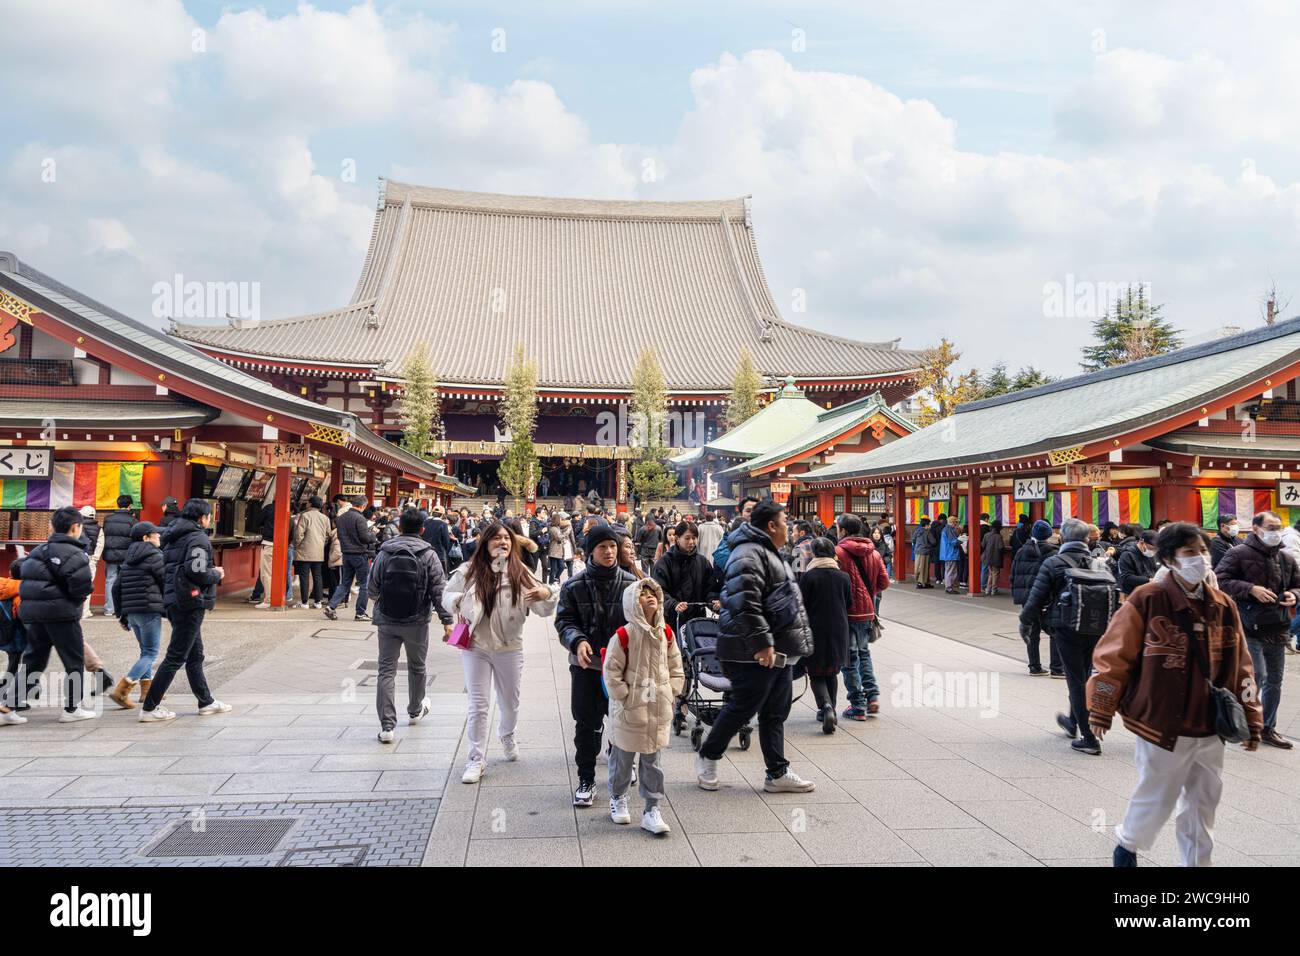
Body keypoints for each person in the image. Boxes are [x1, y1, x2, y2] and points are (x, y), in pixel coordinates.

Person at [1089, 521, 1262, 867]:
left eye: (1201, 551)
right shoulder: (1147, 599)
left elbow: (1242, 664)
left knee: (1204, 803)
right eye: (1189, 552)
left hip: (1209, 723)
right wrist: (1101, 708)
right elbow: (1113, 656)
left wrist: (1252, 716)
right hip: (1160, 722)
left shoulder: (1224, 605)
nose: (1199, 558)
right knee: (1157, 796)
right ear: (1168, 559)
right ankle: (1127, 846)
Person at [696, 500, 816, 793]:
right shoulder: (749, 554)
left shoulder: (768, 552)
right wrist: (762, 644)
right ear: (771, 526)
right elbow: (743, 604)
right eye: (785, 521)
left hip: (778, 650)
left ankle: (777, 772)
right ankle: (708, 755)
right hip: (751, 651)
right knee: (741, 708)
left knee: (775, 712)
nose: (789, 526)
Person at [444, 520, 557, 779]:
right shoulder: (469, 570)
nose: (503, 542)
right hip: (476, 646)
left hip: (509, 647)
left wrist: (545, 594)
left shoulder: (521, 572)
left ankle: (506, 734)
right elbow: (446, 595)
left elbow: (544, 608)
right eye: (496, 538)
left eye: (507, 538)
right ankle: (476, 758)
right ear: (485, 544)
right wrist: (459, 601)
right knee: (478, 705)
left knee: (510, 702)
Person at [556, 524, 637, 807]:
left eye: (613, 546)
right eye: (602, 547)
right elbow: (564, 621)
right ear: (590, 551)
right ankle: (587, 779)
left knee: (622, 723)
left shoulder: (631, 585)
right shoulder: (573, 586)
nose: (609, 551)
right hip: (587, 666)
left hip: (622, 669)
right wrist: (577, 641)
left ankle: (620, 775)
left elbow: (642, 623)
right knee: (586, 725)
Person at [1019, 517, 1111, 755]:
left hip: (1066, 627)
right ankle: (1073, 722)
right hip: (1095, 627)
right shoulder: (1098, 562)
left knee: (1075, 679)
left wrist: (1025, 622)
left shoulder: (1054, 562)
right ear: (1086, 539)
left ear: (1062, 539)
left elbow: (1036, 597)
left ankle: (1089, 738)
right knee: (1083, 673)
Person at [603, 577, 684, 835]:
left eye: (652, 593)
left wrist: (671, 691)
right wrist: (625, 697)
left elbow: (676, 666)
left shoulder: (666, 633)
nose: (649, 597)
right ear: (632, 602)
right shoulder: (624, 635)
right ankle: (618, 797)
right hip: (630, 710)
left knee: (653, 762)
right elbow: (611, 671)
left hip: (657, 708)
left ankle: (651, 808)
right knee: (623, 760)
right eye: (642, 594)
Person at [138, 498, 231, 721]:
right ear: (202, 518)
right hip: (190, 600)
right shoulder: (198, 538)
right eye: (209, 515)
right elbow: (197, 570)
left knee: (195, 654)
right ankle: (150, 707)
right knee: (176, 656)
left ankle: (205, 701)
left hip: (174, 598)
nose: (209, 519)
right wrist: (216, 574)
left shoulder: (173, 536)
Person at [1213, 510, 1299, 749]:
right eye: (1271, 527)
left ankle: (1268, 727)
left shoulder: (1286, 557)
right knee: (1256, 675)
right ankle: (1246, 724)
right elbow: (1220, 579)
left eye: (1278, 527)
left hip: (1278, 624)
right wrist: (1250, 589)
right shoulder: (1238, 553)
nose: (1276, 531)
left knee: (1275, 679)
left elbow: (1297, 584)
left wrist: (1294, 594)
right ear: (1256, 528)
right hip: (1248, 624)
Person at [369, 508, 454, 744]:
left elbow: (372, 587)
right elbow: (439, 590)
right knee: (417, 667)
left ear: (399, 527)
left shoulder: (385, 552)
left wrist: (387, 602)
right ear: (422, 530)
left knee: (386, 671)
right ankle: (415, 710)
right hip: (417, 620)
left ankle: (387, 727)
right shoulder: (429, 554)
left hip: (386, 619)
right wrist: (447, 622)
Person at [14, 506, 95, 720]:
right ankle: (72, 708)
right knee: (73, 661)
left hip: (34, 615)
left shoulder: (39, 551)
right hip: (62, 614)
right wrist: (73, 603)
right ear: (75, 527)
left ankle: (9, 705)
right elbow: (82, 586)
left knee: (34, 660)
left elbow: (24, 580)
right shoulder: (76, 553)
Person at [835, 513, 890, 719]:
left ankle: (857, 705)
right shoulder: (874, 553)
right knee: (864, 653)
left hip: (847, 612)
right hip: (867, 611)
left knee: (849, 658)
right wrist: (869, 594)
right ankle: (872, 696)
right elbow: (884, 582)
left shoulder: (838, 552)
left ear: (843, 530)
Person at [108, 521, 165, 709]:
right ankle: (122, 690)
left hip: (132, 612)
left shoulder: (129, 558)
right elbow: (165, 581)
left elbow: (116, 587)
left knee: (145, 651)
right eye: (155, 534)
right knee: (151, 652)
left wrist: (121, 614)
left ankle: (147, 692)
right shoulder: (155, 556)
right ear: (146, 538)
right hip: (149, 610)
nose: (159, 536)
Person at [798, 537, 851, 734]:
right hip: (838, 629)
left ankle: (825, 707)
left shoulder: (809, 577)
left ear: (814, 554)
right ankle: (832, 709)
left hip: (815, 630)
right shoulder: (843, 577)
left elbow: (801, 605)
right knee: (832, 671)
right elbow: (850, 602)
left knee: (815, 672)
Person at [1010, 519, 1061, 676]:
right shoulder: (1053, 553)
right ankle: (1057, 668)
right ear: (1048, 535)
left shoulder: (1021, 551)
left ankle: (1034, 666)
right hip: (1046, 598)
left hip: (1027, 597)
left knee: (1032, 631)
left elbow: (1013, 574)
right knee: (1054, 630)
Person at [651, 520, 719, 635]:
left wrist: (713, 602)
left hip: (697, 620)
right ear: (677, 539)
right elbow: (658, 590)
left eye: (694, 538)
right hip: (671, 620)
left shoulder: (702, 562)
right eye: (687, 538)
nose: (692, 542)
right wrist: (673, 604)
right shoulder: (665, 562)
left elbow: (710, 588)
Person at [325, 495, 375, 622]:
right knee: (364, 584)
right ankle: (360, 613)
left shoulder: (340, 519)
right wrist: (372, 534)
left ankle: (331, 606)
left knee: (345, 583)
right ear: (363, 506)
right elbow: (364, 538)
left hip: (346, 554)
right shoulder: (360, 518)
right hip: (359, 554)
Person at [100, 494, 137, 619]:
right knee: (127, 581)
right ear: (129, 506)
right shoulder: (132, 521)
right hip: (126, 556)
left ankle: (109, 609)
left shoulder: (108, 519)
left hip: (111, 555)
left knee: (110, 580)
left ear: (118, 504)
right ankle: (125, 608)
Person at [292, 495, 329, 608]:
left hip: (305, 551)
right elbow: (328, 534)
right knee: (317, 576)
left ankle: (304, 602)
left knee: (304, 576)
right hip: (318, 552)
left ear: (310, 504)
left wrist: (296, 545)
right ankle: (318, 602)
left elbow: (299, 534)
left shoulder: (305, 516)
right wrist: (321, 544)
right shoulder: (325, 518)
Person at [78, 505, 103, 619]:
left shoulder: (77, 526)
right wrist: (95, 559)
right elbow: (100, 544)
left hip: (77, 557)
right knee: (88, 584)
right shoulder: (99, 528)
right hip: (90, 559)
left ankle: (76, 610)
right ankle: (85, 611)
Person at [1116, 529, 1158, 596]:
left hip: (1148, 591)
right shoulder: (1127, 555)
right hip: (1131, 594)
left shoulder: (1150, 555)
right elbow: (1126, 577)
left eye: (1156, 549)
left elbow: (1154, 570)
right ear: (1142, 542)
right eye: (1151, 548)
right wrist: (1149, 580)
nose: (1153, 551)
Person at [546, 510, 575, 584]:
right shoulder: (553, 529)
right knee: (553, 569)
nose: (561, 521)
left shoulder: (557, 528)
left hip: (559, 551)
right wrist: (567, 532)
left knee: (562, 566)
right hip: (554, 551)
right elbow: (559, 538)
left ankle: (556, 579)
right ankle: (551, 583)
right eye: (560, 519)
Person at [421, 505, 452, 570]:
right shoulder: (443, 524)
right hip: (438, 553)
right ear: (442, 515)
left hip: (424, 551)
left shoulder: (425, 522)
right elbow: (446, 540)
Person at [940, 517, 962, 592]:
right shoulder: (949, 529)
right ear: (953, 522)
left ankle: (949, 587)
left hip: (947, 553)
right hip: (950, 553)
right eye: (956, 522)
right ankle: (949, 587)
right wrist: (961, 540)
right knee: (951, 571)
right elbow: (953, 542)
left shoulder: (946, 529)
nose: (957, 524)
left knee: (949, 570)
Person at [912, 516, 934, 588]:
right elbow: (933, 541)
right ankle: (921, 583)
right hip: (925, 551)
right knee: (924, 568)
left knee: (918, 566)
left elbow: (913, 540)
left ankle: (924, 582)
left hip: (917, 551)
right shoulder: (927, 532)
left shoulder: (917, 530)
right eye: (929, 524)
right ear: (927, 525)